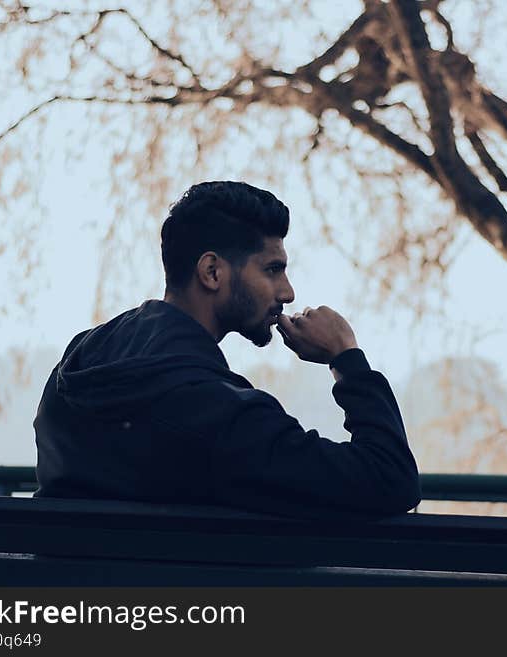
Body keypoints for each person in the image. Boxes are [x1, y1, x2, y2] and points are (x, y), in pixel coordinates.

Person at [33, 181, 421, 518]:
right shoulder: (218, 415)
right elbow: (390, 478)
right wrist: (346, 357)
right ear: (212, 272)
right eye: (272, 269)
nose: (287, 292)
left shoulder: (76, 365)